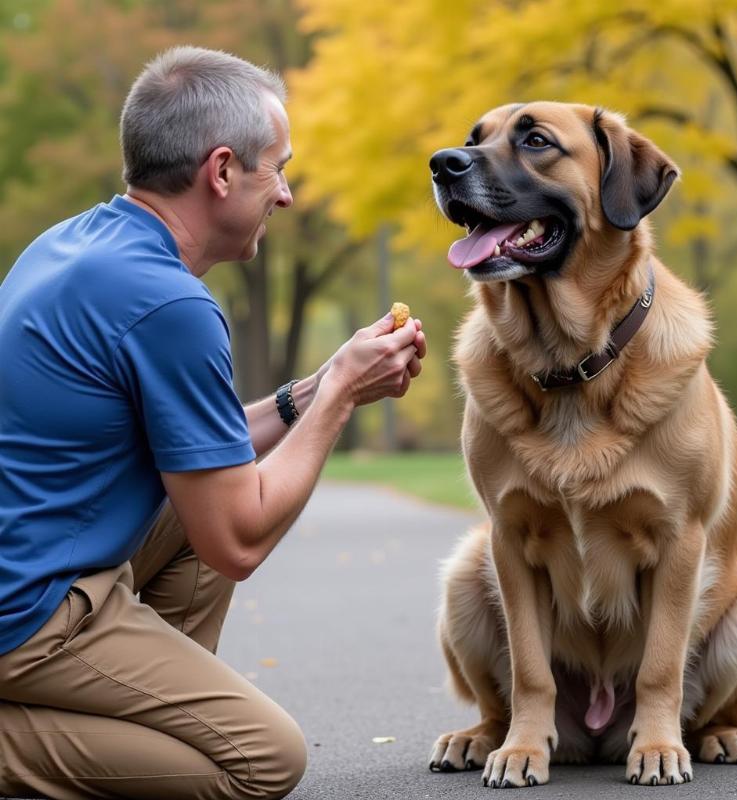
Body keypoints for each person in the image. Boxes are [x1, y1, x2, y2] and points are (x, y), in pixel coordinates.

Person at [0, 46, 426, 800]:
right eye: (278, 168)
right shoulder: (172, 306)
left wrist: (316, 387)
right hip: (29, 615)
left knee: (203, 508)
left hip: (36, 561)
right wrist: (337, 406)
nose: (287, 195)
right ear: (222, 171)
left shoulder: (73, 245)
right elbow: (237, 541)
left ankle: (143, 740)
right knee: (261, 760)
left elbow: (207, 453)